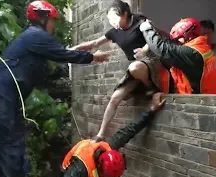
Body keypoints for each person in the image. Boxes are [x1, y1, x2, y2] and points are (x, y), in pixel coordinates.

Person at [0, 1, 108, 177]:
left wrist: (80, 50)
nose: (54, 25)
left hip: (1, 95)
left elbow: (58, 53)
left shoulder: (34, 38)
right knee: (9, 151)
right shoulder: (35, 35)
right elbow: (63, 54)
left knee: (14, 149)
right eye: (52, 20)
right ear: (43, 18)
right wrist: (92, 57)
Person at [72, 0, 168, 139]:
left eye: (115, 18)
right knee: (115, 97)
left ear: (125, 13)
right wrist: (75, 49)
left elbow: (155, 38)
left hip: (151, 60)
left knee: (134, 67)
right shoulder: (114, 32)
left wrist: (145, 49)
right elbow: (94, 43)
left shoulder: (140, 22)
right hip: (137, 66)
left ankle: (151, 87)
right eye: (110, 20)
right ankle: (100, 135)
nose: (113, 22)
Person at [60, 92, 166, 177]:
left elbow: (130, 130)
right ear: (99, 168)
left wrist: (152, 110)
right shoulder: (77, 171)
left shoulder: (109, 145)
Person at [139, 17, 216, 95]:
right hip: (209, 100)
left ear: (188, 36)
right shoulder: (201, 48)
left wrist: (146, 28)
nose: (176, 42)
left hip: (204, 106)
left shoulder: (191, 53)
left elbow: (161, 49)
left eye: (178, 39)